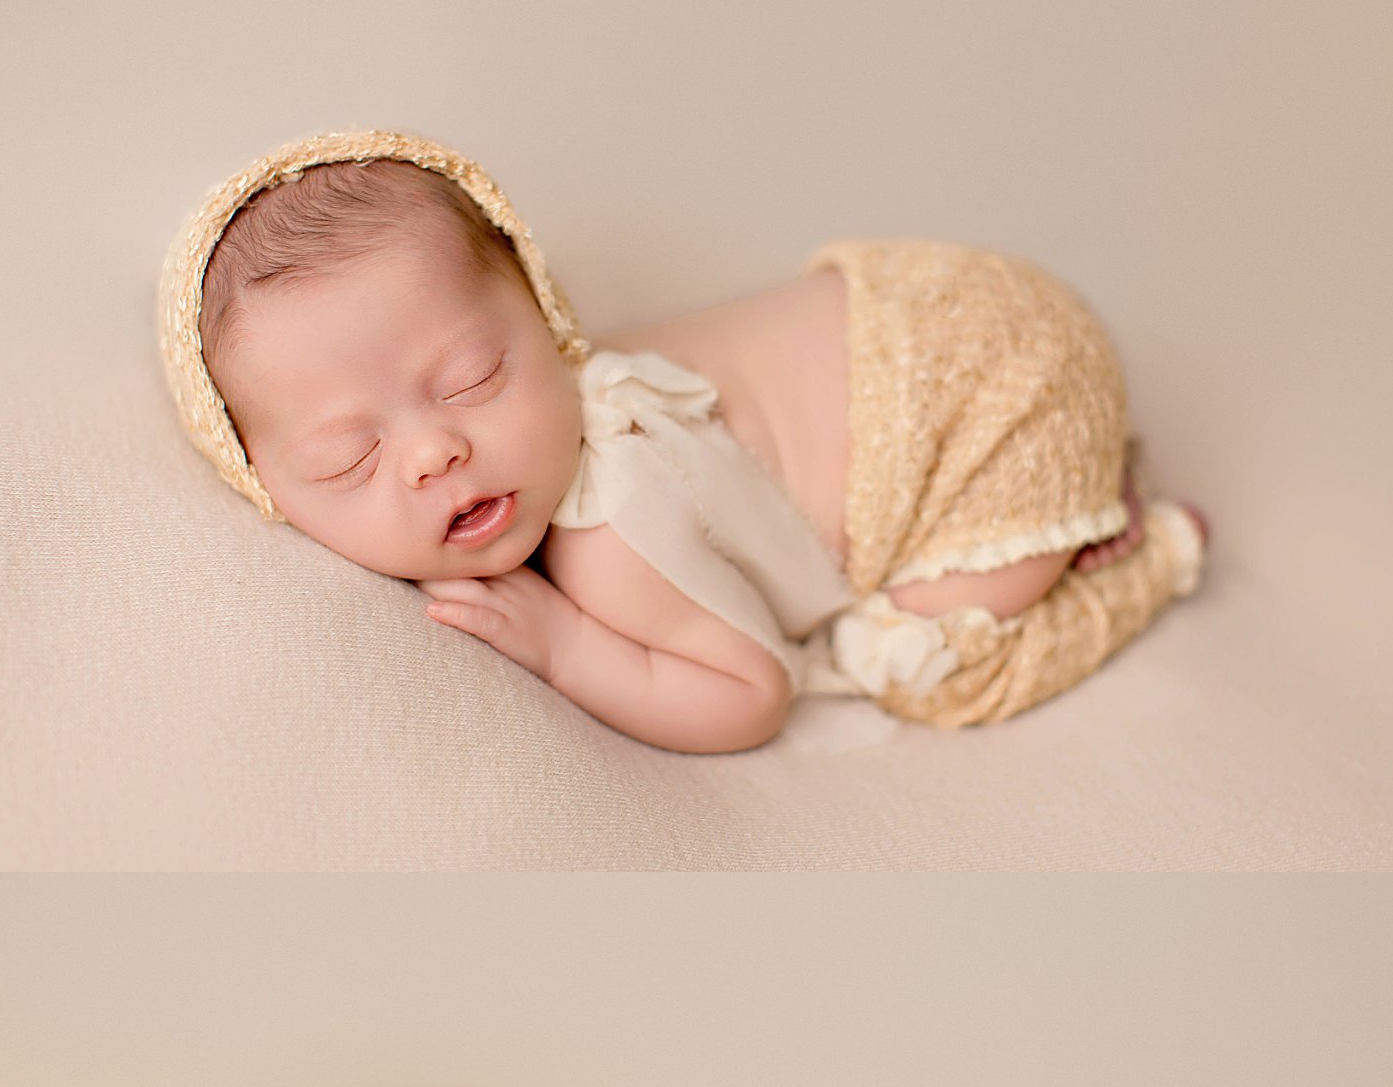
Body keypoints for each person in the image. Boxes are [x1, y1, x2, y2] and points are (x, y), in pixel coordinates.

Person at [159, 129, 1207, 753]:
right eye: (350, 457)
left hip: (987, 413)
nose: (435, 451)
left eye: (475, 380)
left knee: (933, 670)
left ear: (546, 314)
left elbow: (754, 693)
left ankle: (1133, 547)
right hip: (935, 295)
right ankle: (1074, 478)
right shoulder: (557, 381)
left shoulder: (612, 532)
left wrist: (570, 647)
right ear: (259, 485)